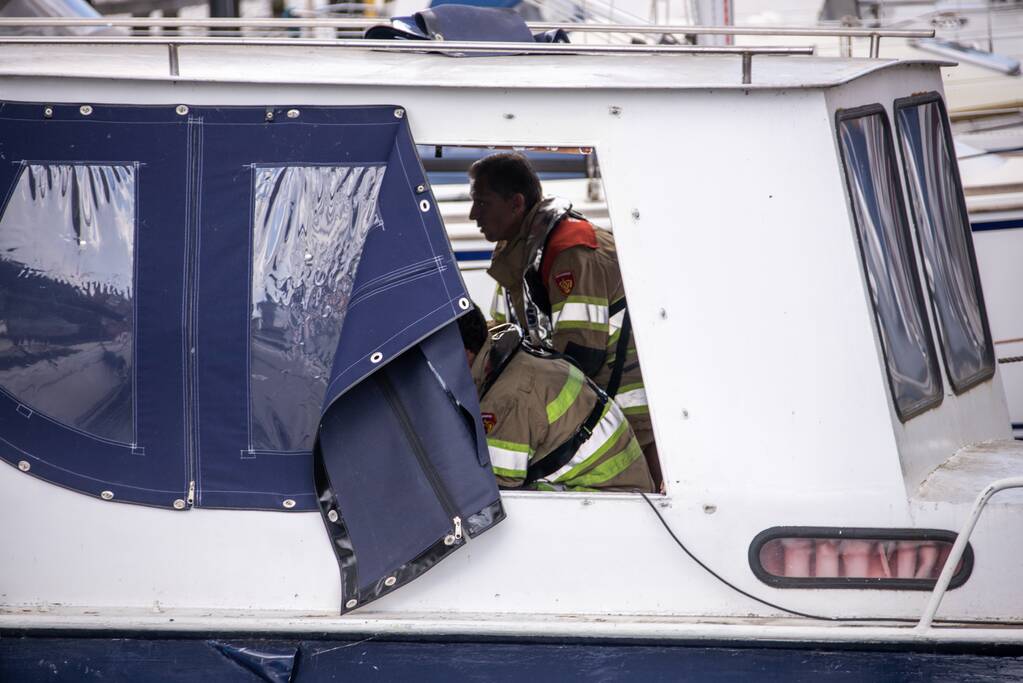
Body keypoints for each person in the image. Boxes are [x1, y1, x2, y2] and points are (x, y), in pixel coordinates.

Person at [468, 152, 661, 487]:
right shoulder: (523, 256)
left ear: (516, 203)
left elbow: (580, 356)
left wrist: (516, 404)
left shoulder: (571, 252)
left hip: (629, 413)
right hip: (595, 413)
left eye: (482, 203)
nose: (473, 214)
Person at [458, 305, 654, 493]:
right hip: (625, 485)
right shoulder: (515, 359)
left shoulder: (506, 397)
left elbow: (496, 488)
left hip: (610, 498)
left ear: (464, 353)